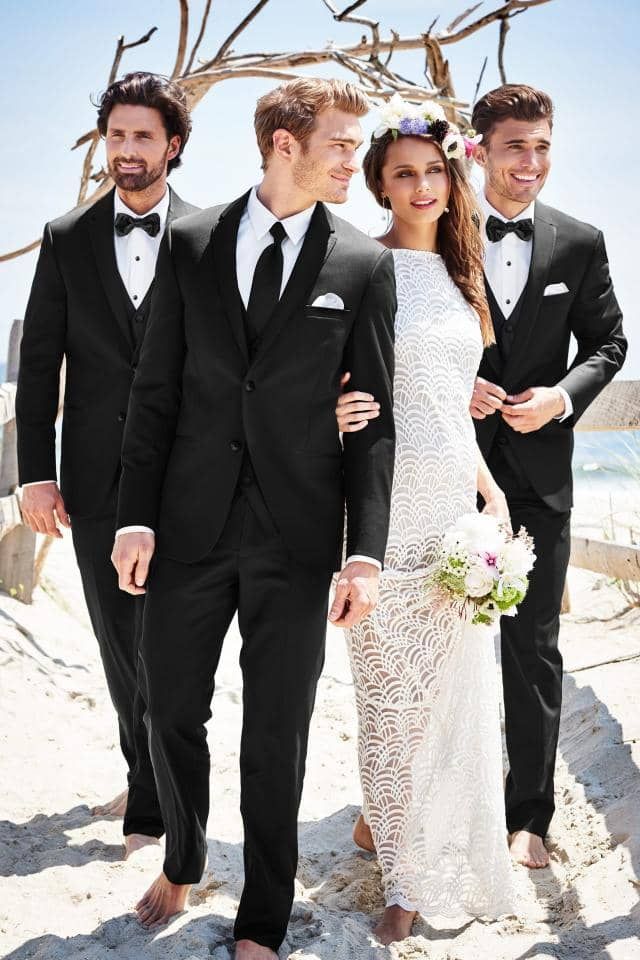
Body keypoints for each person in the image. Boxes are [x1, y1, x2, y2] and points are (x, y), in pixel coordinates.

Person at [110, 77, 396, 958]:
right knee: (169, 713)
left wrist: (365, 556)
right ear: (285, 144)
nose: (358, 161)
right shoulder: (191, 243)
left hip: (299, 537)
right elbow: (153, 394)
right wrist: (133, 518)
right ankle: (187, 855)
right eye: (343, 144)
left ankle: (264, 917)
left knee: (277, 731)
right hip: (189, 528)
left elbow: (374, 423)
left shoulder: (362, 263)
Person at [335, 96, 515, 946]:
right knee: (388, 699)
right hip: (380, 510)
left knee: (449, 695)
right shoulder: (361, 267)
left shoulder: (461, 273)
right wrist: (326, 414)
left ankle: (389, 829)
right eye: (401, 173)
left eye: (432, 171)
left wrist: (492, 490)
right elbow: (324, 381)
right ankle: (402, 882)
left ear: (451, 178)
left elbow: (451, 406)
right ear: (379, 183)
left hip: (453, 508)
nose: (419, 186)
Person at [16, 72, 198, 856]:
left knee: (171, 640)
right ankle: (146, 783)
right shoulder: (65, 238)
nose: (127, 151)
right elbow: (38, 364)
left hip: (186, 476)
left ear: (173, 146)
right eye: (116, 135)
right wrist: (34, 472)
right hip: (91, 477)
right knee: (119, 643)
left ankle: (157, 790)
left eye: (143, 137)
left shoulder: (213, 235)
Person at [468, 84, 626, 868]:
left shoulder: (580, 242)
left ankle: (529, 815)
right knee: (438, 649)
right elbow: (390, 337)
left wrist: (563, 397)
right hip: (447, 473)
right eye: (514, 147)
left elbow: (608, 344)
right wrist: (449, 385)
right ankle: (414, 802)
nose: (530, 163)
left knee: (532, 645)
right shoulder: (433, 231)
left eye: (542, 146)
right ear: (480, 151)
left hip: (539, 479)